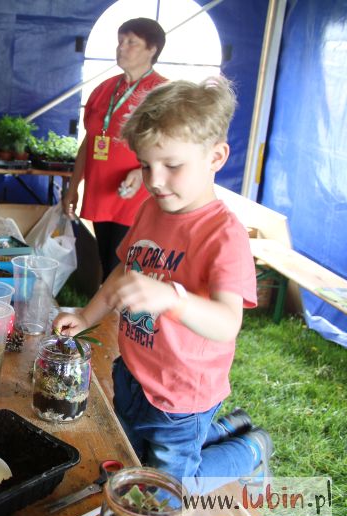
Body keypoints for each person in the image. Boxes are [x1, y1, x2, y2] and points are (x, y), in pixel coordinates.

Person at [53, 77, 272, 494]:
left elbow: (228, 323)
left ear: (216, 157)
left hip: (182, 396)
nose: (155, 180)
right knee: (134, 459)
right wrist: (86, 315)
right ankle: (223, 429)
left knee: (165, 488)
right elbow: (123, 271)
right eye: (145, 165)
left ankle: (249, 449)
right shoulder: (152, 209)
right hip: (133, 374)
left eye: (172, 165)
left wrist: (173, 298)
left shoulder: (223, 235)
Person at [63, 17, 168, 282]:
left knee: (122, 263)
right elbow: (90, 141)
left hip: (137, 193)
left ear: (152, 49)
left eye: (131, 42)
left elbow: (173, 147)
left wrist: (140, 171)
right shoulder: (104, 89)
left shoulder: (164, 92)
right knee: (107, 259)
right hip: (101, 191)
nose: (121, 48)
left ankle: (120, 317)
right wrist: (74, 186)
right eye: (120, 41)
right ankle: (111, 316)